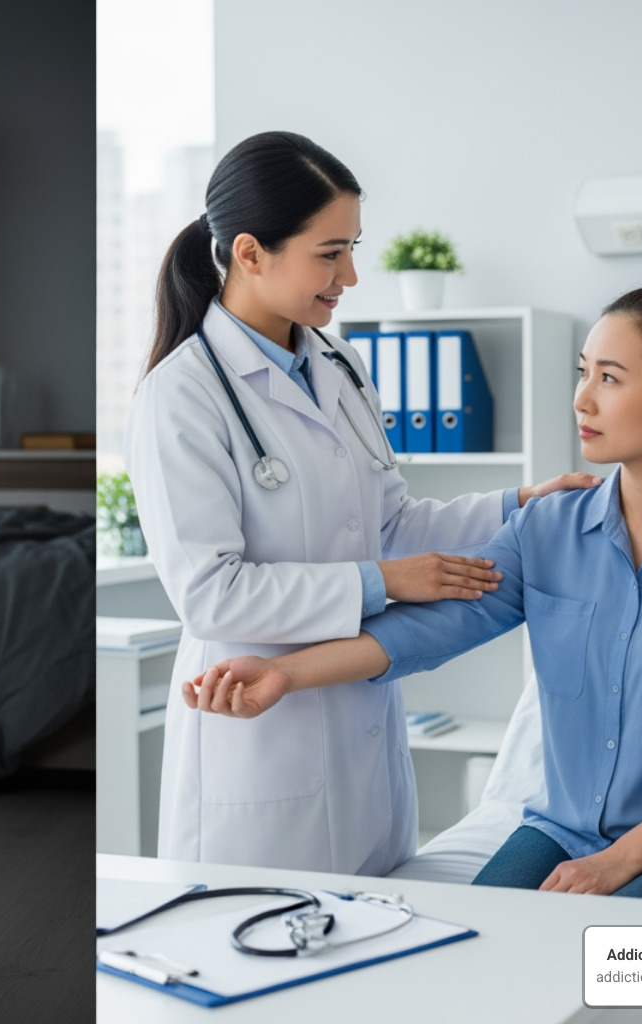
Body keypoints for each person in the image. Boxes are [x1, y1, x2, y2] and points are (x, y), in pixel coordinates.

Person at [186, 285, 642, 927]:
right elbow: (432, 628)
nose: (582, 398)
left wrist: (615, 865)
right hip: (566, 831)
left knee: (595, 957)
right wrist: (287, 673)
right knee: (467, 945)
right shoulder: (550, 530)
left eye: (611, 378)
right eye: (582, 372)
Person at [123, 130, 599, 876]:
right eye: (329, 251)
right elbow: (211, 594)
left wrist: (518, 503)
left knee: (379, 947)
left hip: (362, 729)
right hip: (258, 737)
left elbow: (390, 522)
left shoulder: (340, 365)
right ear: (250, 253)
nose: (350, 273)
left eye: (353, 247)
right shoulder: (180, 396)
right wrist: (383, 582)